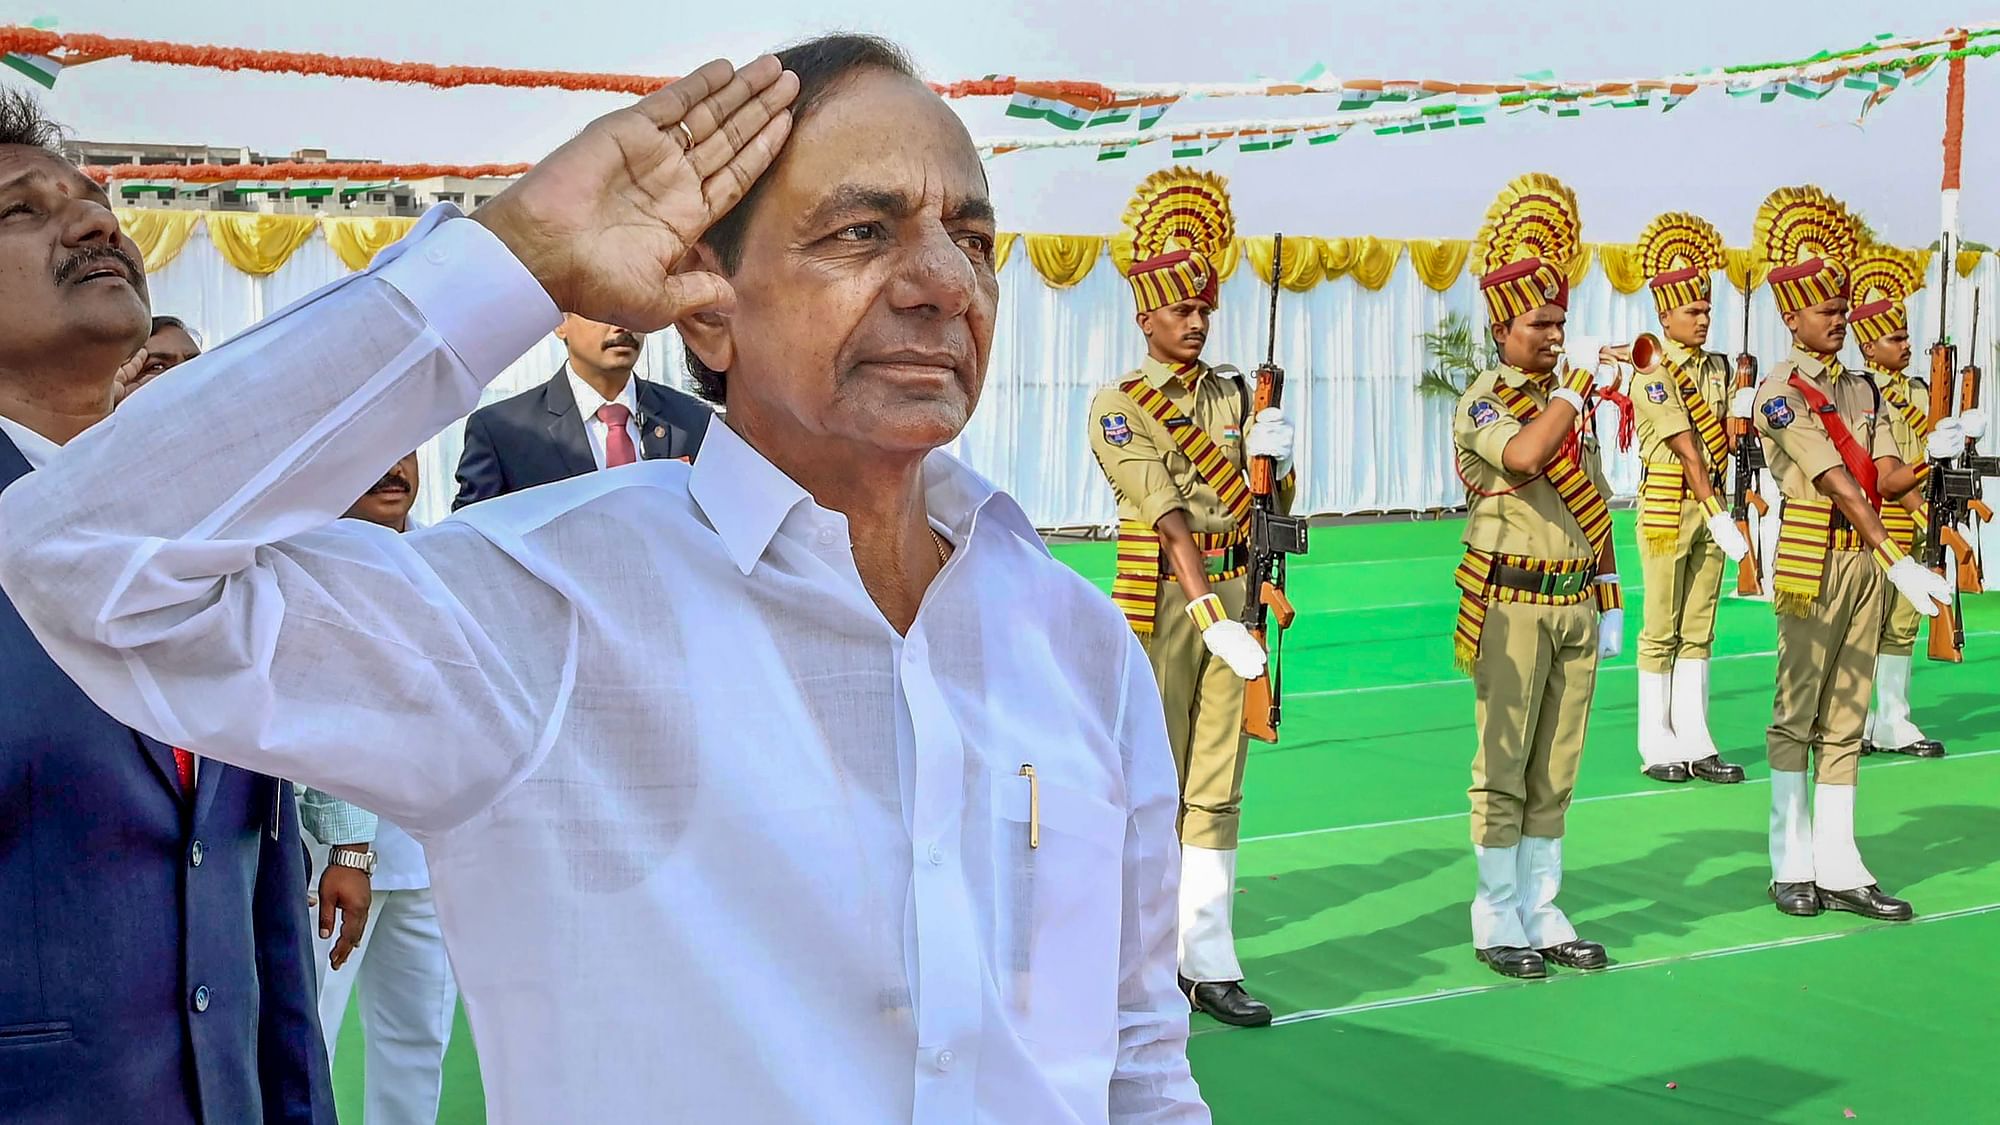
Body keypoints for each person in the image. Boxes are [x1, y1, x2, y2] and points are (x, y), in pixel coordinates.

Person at [0, 38, 1207, 1124]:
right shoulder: (540, 608)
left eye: (974, 236)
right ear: (707, 308)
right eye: (862, 231)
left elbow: (1137, 1061)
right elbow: (79, 556)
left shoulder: (1073, 637)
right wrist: (511, 258)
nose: (944, 279)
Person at [0, 88, 333, 1125]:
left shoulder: (212, 540)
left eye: (94, 201)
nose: (98, 222)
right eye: (23, 210)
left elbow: (264, 907)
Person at [1086, 168, 1296, 1028]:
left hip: (1238, 589)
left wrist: (1276, 457)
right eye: (1181, 309)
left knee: (1217, 782)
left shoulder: (1241, 393)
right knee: (1150, 781)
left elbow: (1272, 506)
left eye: (1206, 307)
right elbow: (1168, 518)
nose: (1198, 321)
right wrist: (1213, 620)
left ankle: (1206, 957)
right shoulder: (1119, 404)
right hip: (1167, 606)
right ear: (1146, 315)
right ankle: (1134, 962)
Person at [1747, 187, 1955, 923]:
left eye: (1842, 309)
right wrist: (1893, 553)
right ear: (1792, 316)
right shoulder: (1782, 391)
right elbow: (1836, 480)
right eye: (1827, 311)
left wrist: (1941, 448)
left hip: (1868, 561)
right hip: (1816, 558)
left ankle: (1838, 861)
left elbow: (1887, 475)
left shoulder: (1867, 386)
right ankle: (1787, 859)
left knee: (1847, 712)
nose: (1840, 320)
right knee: (1796, 711)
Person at [1450, 173, 1619, 980]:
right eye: (1539, 323)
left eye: (1560, 321)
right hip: (1510, 603)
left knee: (1557, 765)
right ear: (1501, 328)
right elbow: (1522, 456)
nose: (1554, 336)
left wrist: (1609, 595)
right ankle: (1495, 914)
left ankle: (1542, 906)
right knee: (1505, 764)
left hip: (1572, 602)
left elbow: (1598, 505)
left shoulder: (1564, 404)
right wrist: (1578, 388)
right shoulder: (1485, 400)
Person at [299, 451, 458, 1125]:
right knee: (310, 1041)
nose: (392, 469)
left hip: (429, 853)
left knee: (418, 1042)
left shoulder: (451, 559)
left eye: (406, 451)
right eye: (369, 452)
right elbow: (317, 718)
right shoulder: (298, 562)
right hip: (326, 858)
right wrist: (349, 849)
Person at [1623, 212, 1751, 784]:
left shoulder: (1720, 367)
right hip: (1669, 504)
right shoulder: (1651, 368)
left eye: (1706, 309)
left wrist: (1746, 420)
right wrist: (1720, 513)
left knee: (1700, 623)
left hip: (1712, 505)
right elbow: (1687, 449)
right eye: (1692, 311)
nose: (1703, 319)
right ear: (1664, 316)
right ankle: (1656, 741)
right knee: (1660, 625)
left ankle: (1696, 736)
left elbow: (1723, 441)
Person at [1847, 245, 1947, 759]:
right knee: (1869, 619)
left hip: (1919, 517)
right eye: (1895, 337)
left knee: (1904, 620)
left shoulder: (1921, 390)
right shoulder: (1863, 392)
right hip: (1880, 519)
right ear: (1869, 347)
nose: (1907, 345)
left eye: (1908, 335)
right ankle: (1860, 719)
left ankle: (1892, 718)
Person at [451, 313, 713, 508]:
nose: (621, 324)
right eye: (603, 311)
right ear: (560, 323)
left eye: (632, 309)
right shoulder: (503, 432)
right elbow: (471, 548)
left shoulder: (692, 420)